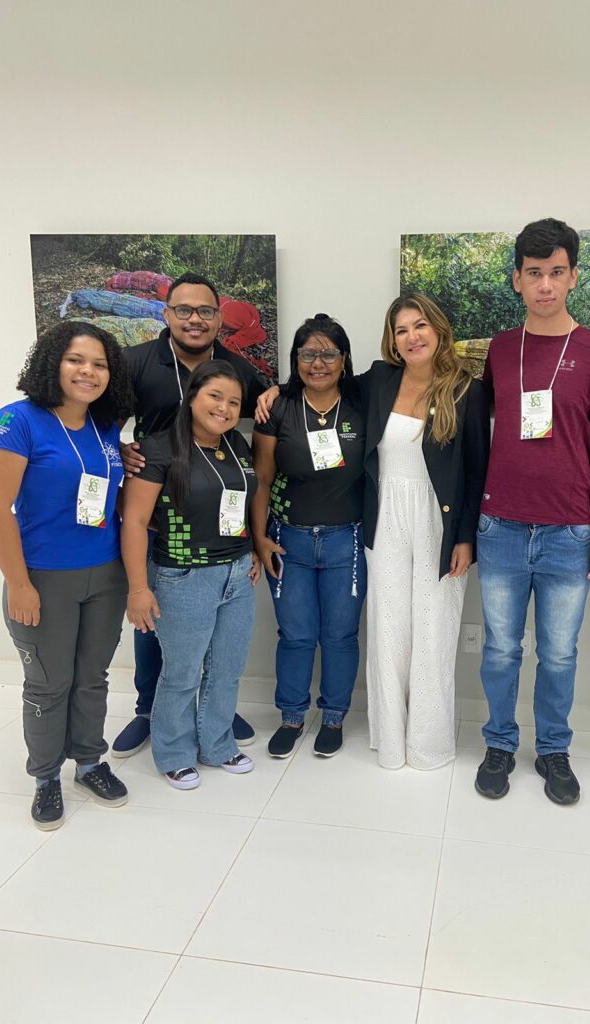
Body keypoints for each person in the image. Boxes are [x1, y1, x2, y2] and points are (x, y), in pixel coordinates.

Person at [475, 218, 590, 805]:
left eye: (556, 272)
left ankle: (554, 750)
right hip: (501, 526)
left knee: (558, 653)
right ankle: (498, 743)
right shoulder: (499, 349)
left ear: (573, 277)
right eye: (534, 273)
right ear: (516, 278)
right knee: (500, 648)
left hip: (569, 530)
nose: (545, 285)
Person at [112, 272, 266, 757]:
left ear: (220, 318)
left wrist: (273, 395)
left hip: (218, 526)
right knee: (154, 624)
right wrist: (120, 450)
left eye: (205, 311)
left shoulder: (237, 368)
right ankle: (148, 709)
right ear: (167, 314)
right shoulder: (136, 362)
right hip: (158, 517)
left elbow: (269, 404)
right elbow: (98, 421)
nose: (194, 319)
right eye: (184, 310)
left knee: (219, 642)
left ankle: (213, 712)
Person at [0, 322, 133, 829]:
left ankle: (90, 763)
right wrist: (20, 584)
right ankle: (46, 777)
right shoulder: (17, 421)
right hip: (43, 578)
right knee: (50, 684)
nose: (88, 372)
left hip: (106, 575)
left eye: (99, 364)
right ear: (53, 362)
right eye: (76, 360)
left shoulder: (106, 426)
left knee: (92, 678)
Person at [362, 294, 490, 769]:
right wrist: (276, 393)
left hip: (441, 523)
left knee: (434, 632)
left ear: (438, 330)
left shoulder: (467, 390)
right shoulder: (379, 380)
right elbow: (321, 385)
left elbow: (477, 470)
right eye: (401, 330)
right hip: (385, 520)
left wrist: (466, 538)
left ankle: (427, 745)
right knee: (388, 630)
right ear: (392, 341)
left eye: (420, 326)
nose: (412, 336)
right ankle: (391, 742)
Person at [121, 361, 260, 790]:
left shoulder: (236, 444)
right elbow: (134, 521)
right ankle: (174, 754)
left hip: (237, 574)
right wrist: (138, 588)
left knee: (227, 669)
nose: (224, 408)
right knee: (181, 673)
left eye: (234, 402)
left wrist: (252, 549)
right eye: (215, 396)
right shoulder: (159, 449)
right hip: (183, 578)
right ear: (192, 396)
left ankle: (217, 744)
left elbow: (237, 505)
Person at [252, 315, 367, 758]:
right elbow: (262, 480)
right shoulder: (278, 408)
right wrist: (259, 538)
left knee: (340, 636)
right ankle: (292, 716)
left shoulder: (361, 402)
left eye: (328, 353)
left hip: (346, 541)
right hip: (288, 541)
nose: (317, 363)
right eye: (307, 354)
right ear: (295, 359)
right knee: (296, 635)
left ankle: (334, 716)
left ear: (344, 358)